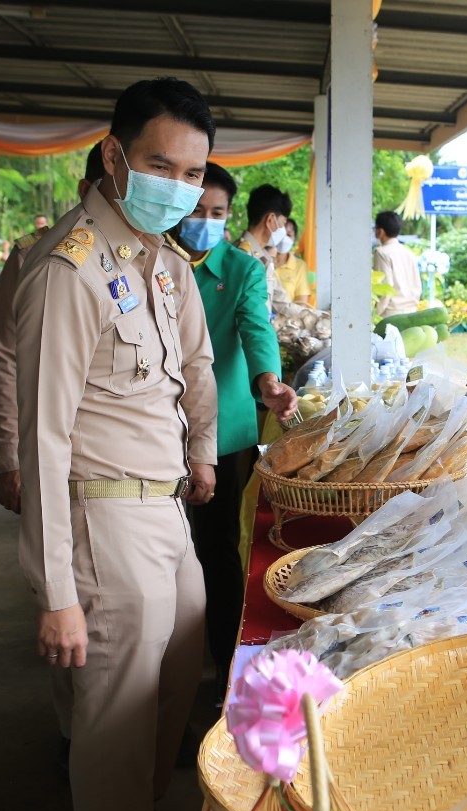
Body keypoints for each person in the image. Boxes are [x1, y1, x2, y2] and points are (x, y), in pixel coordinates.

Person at [14, 77, 218, 811]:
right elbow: (43, 438)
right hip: (104, 519)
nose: (180, 188)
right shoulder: (70, 268)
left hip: (166, 511)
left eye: (194, 175)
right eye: (163, 166)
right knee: (112, 728)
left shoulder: (162, 263)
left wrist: (200, 452)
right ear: (113, 155)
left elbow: (192, 366)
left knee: (167, 702)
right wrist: (56, 589)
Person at [0, 142, 104, 774]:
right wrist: (11, 458)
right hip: (61, 465)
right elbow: (4, 358)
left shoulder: (144, 258)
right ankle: (70, 732)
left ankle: (94, 737)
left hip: (120, 471)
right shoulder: (46, 258)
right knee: (66, 598)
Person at [171, 161, 298, 701]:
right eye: (195, 210)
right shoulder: (150, 263)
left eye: (217, 213)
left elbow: (257, 328)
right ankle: (162, 668)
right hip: (155, 431)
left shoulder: (242, 270)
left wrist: (268, 381)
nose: (205, 221)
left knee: (218, 550)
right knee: (165, 554)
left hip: (224, 431)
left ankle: (222, 670)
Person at [236, 183, 294, 309]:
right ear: (270, 220)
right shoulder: (241, 256)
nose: (283, 230)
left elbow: (283, 305)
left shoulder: (264, 258)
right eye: (283, 223)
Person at [373, 210, 421, 317]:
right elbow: (417, 286)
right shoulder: (409, 253)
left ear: (380, 231)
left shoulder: (381, 253)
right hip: (412, 311)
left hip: (391, 313)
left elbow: (385, 288)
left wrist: (375, 315)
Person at [274, 216, 312, 305]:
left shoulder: (299, 266)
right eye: (281, 234)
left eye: (288, 235)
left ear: (294, 239)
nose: (284, 239)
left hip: (288, 317)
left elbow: (302, 304)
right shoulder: (262, 259)